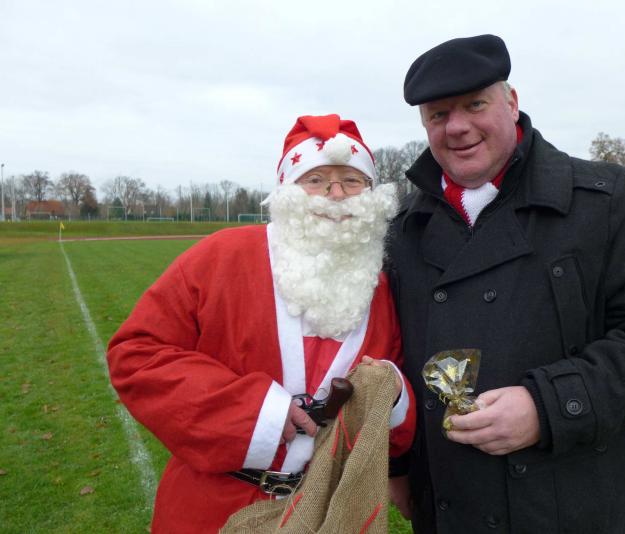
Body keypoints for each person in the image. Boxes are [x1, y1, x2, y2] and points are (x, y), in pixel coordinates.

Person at [386, 35, 625, 533]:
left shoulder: (601, 202)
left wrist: (547, 407)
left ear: (512, 103)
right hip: (448, 510)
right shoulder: (402, 228)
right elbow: (388, 363)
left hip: (569, 507)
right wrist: (399, 466)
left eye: (475, 105)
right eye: (438, 114)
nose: (457, 126)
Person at [107, 114, 416, 534]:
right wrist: (254, 413)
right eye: (316, 180)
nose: (335, 195)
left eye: (351, 181)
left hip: (330, 511)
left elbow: (396, 425)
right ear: (288, 189)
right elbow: (135, 355)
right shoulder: (222, 256)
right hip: (214, 508)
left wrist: (391, 395)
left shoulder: (378, 286)